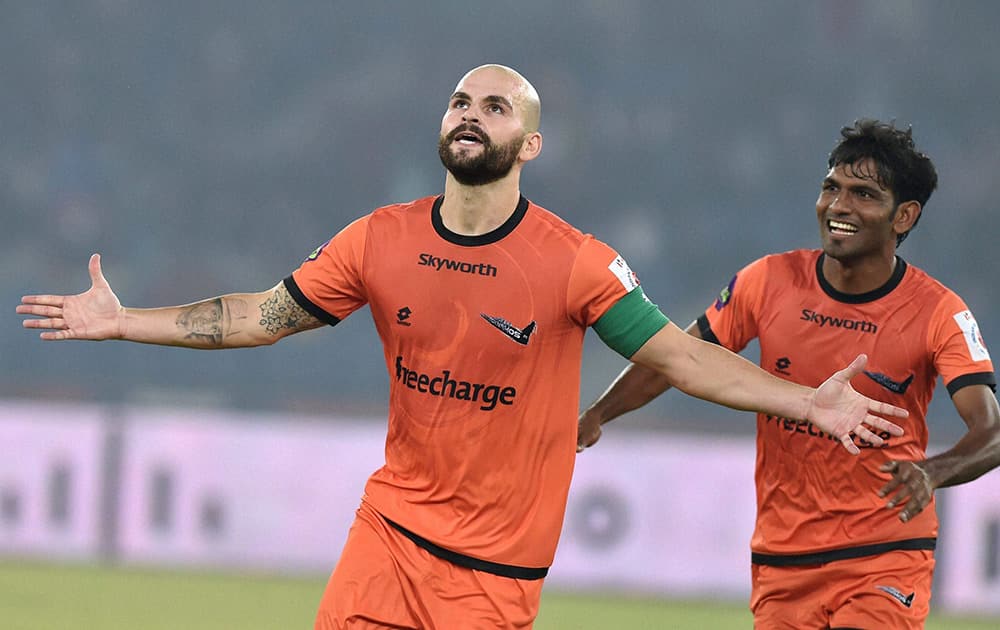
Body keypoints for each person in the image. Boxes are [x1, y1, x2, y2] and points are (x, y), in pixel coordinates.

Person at [18, 67, 907, 630]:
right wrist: (123, 319)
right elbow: (261, 315)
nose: (471, 112)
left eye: (495, 104)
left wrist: (806, 400)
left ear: (530, 142)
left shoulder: (574, 261)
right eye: (458, 100)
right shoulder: (379, 238)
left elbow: (680, 354)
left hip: (492, 573)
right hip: (388, 536)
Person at [577, 119, 1000, 629]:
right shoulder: (769, 281)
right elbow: (676, 359)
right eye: (832, 188)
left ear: (903, 216)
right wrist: (599, 413)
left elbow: (991, 430)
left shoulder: (938, 312)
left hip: (885, 554)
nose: (839, 206)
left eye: (864, 194)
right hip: (782, 559)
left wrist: (932, 473)